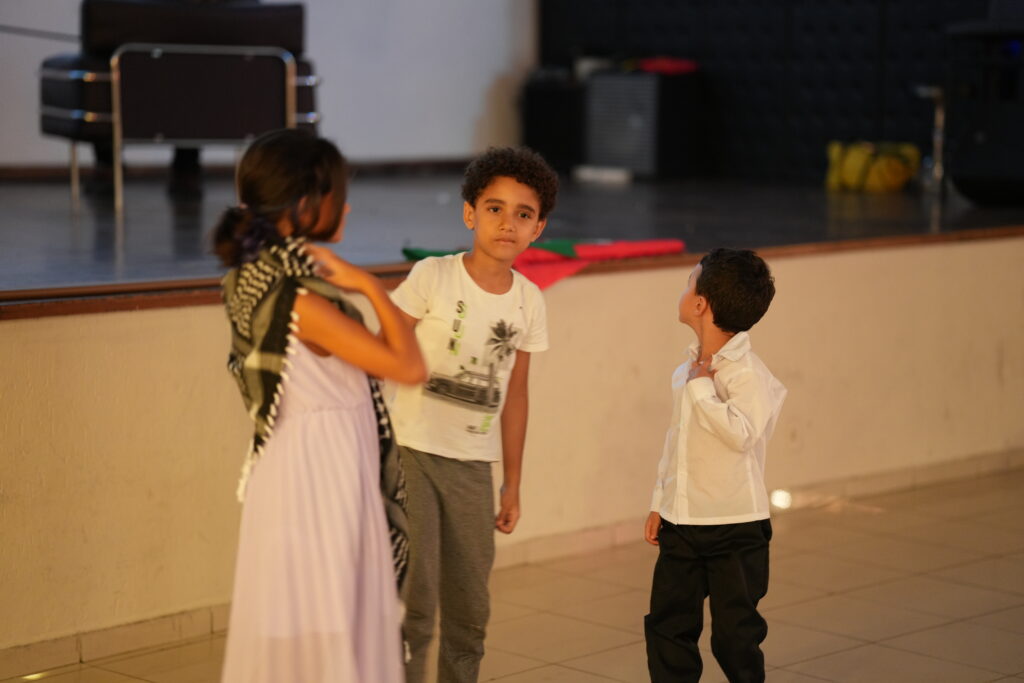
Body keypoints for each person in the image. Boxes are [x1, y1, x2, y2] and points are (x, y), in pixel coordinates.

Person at [214, 128, 426, 683]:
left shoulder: (255, 274)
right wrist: (370, 287)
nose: (346, 205)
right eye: (338, 193)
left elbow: (370, 366)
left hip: (308, 461)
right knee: (327, 621)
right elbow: (409, 368)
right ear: (306, 204)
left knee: (316, 621)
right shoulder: (301, 299)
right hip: (319, 476)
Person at [388, 147, 559, 683]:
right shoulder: (433, 276)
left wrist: (513, 483)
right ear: (470, 213)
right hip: (411, 455)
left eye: (523, 214)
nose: (508, 223)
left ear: (538, 228)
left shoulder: (529, 301)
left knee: (470, 606)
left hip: (472, 468)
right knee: (415, 598)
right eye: (494, 208)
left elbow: (518, 396)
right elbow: (383, 347)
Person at [643, 248, 787, 683]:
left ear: (701, 304)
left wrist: (703, 390)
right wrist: (660, 501)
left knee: (734, 636)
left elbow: (743, 434)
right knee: (668, 625)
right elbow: (677, 442)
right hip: (682, 522)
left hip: (736, 528)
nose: (684, 291)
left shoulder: (748, 374)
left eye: (688, 283)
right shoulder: (687, 370)